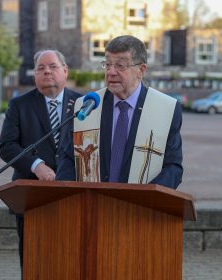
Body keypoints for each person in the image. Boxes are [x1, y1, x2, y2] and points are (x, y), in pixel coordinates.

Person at [56, 35, 183, 189]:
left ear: (141, 70)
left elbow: (173, 168)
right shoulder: (87, 106)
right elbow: (68, 159)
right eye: (108, 65)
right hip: (90, 205)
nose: (111, 72)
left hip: (140, 208)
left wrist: (146, 199)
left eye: (120, 65)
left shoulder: (166, 109)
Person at [0, 49, 81, 274]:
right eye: (40, 68)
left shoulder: (86, 104)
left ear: (65, 71)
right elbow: (6, 146)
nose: (47, 72)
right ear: (34, 75)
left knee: (70, 258)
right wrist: (36, 165)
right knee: (34, 260)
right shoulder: (19, 106)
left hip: (73, 194)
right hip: (31, 195)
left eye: (52, 66)